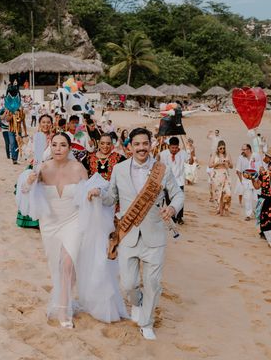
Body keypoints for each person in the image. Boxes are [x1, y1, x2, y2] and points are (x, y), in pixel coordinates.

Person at [17, 132, 127, 327]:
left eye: (63, 145)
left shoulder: (78, 169)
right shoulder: (41, 168)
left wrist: (93, 194)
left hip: (73, 221)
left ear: (69, 148)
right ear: (50, 147)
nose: (58, 148)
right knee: (56, 265)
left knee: (67, 263)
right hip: (50, 223)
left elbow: (86, 195)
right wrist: (29, 182)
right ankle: (64, 297)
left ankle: (63, 310)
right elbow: (24, 194)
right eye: (55, 145)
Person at [92, 127, 184, 340]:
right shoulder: (119, 169)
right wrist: (99, 193)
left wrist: (172, 208)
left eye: (145, 143)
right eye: (137, 144)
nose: (142, 148)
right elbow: (111, 198)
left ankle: (147, 322)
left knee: (153, 282)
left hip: (155, 235)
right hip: (128, 234)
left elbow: (178, 194)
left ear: (151, 144)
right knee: (129, 284)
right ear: (130, 147)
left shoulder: (163, 170)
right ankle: (137, 302)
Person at [159, 137, 188, 224]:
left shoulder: (183, 153)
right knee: (169, 199)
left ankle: (179, 217)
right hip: (168, 180)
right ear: (169, 146)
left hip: (179, 180)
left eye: (176, 147)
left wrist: (191, 154)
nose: (174, 149)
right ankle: (172, 216)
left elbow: (189, 161)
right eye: (173, 148)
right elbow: (160, 165)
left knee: (179, 198)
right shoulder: (163, 154)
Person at [209, 140, 233, 216]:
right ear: (218, 148)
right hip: (217, 175)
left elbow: (231, 166)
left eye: (223, 148)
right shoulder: (214, 155)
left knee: (227, 192)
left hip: (225, 174)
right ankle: (219, 210)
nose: (222, 150)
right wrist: (217, 163)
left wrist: (227, 162)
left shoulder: (227, 154)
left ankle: (226, 207)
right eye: (221, 148)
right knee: (218, 194)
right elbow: (210, 165)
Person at [235, 144, 258, 221]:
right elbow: (238, 170)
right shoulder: (240, 158)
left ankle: (256, 213)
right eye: (242, 149)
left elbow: (260, 167)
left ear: (249, 149)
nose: (243, 151)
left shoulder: (255, 156)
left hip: (256, 180)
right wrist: (242, 181)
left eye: (244, 149)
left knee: (256, 198)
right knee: (247, 198)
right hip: (246, 181)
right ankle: (248, 215)